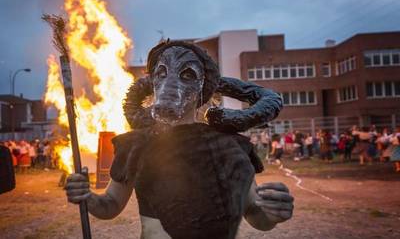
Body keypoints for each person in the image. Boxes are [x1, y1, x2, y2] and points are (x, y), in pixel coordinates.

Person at [64, 41, 293, 239]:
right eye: (162, 73)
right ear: (153, 82)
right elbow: (110, 206)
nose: (170, 83)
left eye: (187, 74)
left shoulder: (228, 145)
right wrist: (87, 197)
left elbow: (255, 215)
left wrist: (271, 213)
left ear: (202, 87)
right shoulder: (136, 145)